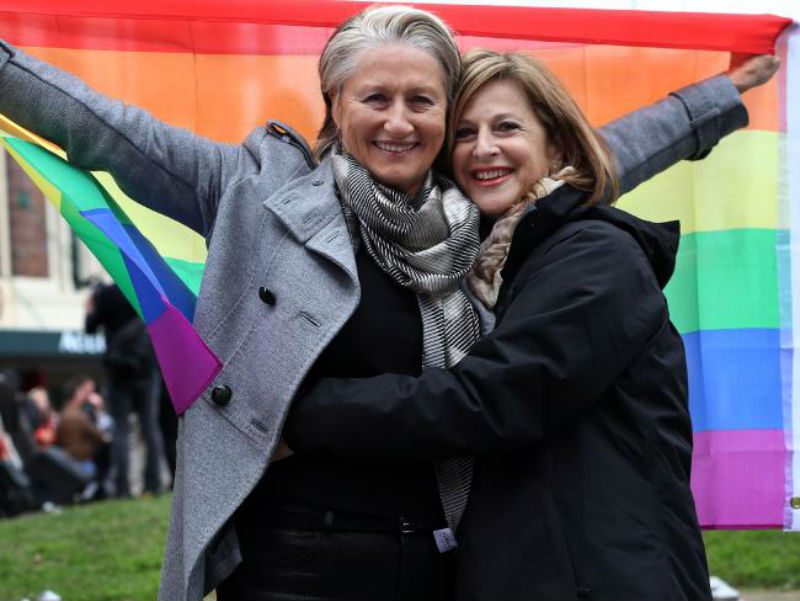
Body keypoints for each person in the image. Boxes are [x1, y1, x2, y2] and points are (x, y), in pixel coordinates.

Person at [0, 5, 767, 600]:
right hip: (294, 561)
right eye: (376, 97)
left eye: (421, 101)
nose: (399, 121)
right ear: (334, 102)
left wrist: (710, 104)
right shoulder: (254, 191)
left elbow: (591, 153)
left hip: (444, 556)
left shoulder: (477, 211)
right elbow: (107, 134)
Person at [284, 49, 778, 600]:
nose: (484, 148)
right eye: (464, 134)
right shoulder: (498, 265)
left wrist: (301, 416)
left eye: (506, 127)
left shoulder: (595, 257)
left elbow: (487, 400)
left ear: (559, 146)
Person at [85, 283, 165, 498]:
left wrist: (90, 307)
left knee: (120, 430)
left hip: (118, 372)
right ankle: (154, 482)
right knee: (150, 427)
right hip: (146, 369)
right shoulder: (143, 288)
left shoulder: (106, 295)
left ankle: (123, 488)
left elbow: (90, 327)